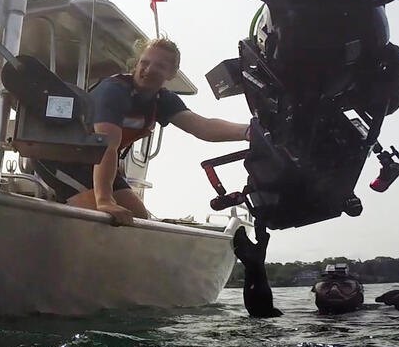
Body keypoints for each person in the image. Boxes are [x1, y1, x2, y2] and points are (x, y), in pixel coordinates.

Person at [33, 37, 251, 226]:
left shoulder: (163, 99)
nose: (148, 70)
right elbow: (107, 146)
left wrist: (250, 132)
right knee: (99, 217)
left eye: (159, 66)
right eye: (145, 63)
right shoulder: (114, 91)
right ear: (136, 64)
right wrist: (105, 200)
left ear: (172, 73)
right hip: (60, 157)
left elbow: (202, 126)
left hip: (92, 161)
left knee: (139, 218)